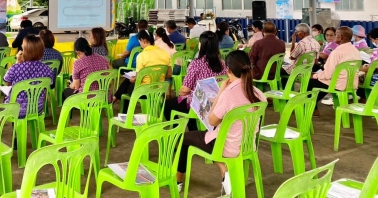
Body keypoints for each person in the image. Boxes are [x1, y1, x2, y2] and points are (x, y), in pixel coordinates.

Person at [175, 50, 267, 194]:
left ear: (228, 70)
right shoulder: (258, 93)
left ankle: (177, 182)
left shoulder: (229, 93)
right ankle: (225, 171)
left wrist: (221, 91)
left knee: (183, 139)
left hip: (227, 146)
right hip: (247, 145)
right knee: (210, 137)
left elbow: (212, 121)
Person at [163, 31, 227, 130]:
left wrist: (181, 93)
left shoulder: (196, 64)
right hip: (216, 102)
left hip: (199, 104)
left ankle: (177, 132)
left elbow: (185, 90)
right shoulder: (223, 64)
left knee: (167, 105)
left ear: (201, 45)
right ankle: (195, 130)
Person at [306, 26, 362, 117]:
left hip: (338, 84)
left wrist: (314, 75)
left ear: (341, 37)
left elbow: (327, 75)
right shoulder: (355, 51)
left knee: (310, 82)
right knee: (321, 82)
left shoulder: (336, 52)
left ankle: (310, 108)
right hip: (351, 84)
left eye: (336, 35)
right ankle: (312, 106)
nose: (334, 37)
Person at [113, 30, 171, 112]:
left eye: (139, 41)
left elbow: (138, 80)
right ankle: (115, 99)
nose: (140, 43)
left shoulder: (142, 56)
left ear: (143, 40)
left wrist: (133, 79)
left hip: (144, 91)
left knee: (127, 87)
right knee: (127, 82)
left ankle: (124, 113)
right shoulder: (165, 53)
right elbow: (169, 75)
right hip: (159, 89)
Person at [3, 35, 55, 118]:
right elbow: (46, 91)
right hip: (37, 108)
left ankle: (15, 126)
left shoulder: (16, 67)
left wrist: (17, 62)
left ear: (24, 51)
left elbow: (7, 82)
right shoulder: (47, 69)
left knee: (6, 95)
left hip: (17, 110)